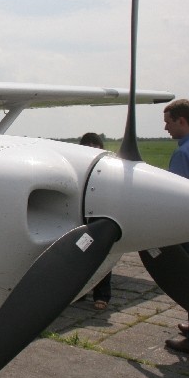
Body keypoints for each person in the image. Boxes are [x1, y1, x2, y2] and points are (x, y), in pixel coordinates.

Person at [161, 99, 189, 358]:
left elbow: (172, 198)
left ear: (181, 121)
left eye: (168, 122)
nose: (166, 128)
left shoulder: (185, 153)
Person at [78, 132, 113, 310]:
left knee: (102, 255)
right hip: (83, 218)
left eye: (95, 146)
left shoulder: (108, 168)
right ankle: (81, 291)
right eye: (87, 146)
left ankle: (102, 294)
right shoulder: (79, 168)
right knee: (80, 254)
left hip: (100, 216)